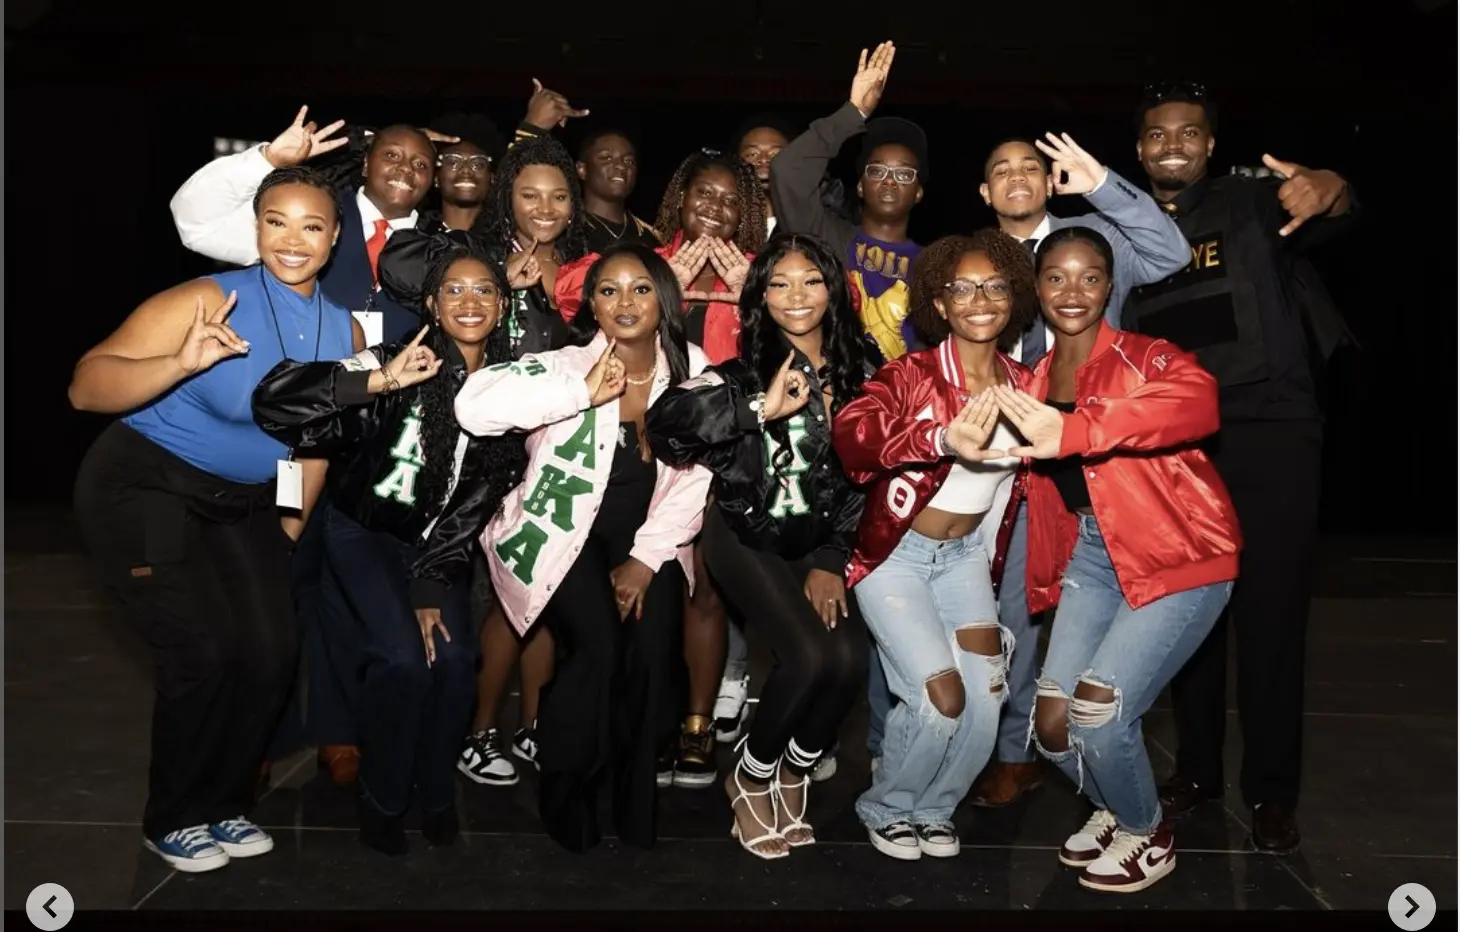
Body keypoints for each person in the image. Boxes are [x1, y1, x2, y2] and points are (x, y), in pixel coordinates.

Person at [69, 166, 355, 872]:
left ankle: (223, 803)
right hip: (149, 488)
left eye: (311, 225)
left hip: (244, 502)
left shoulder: (342, 329)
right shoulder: (209, 298)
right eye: (276, 221)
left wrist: (288, 528)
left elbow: (313, 442)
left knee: (268, 649)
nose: (292, 239)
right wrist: (176, 361)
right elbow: (85, 387)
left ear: (334, 237)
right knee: (201, 650)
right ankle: (171, 817)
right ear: (255, 228)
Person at [1121, 83, 1357, 855]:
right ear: (1139, 148)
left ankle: (1273, 793)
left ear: (1211, 145)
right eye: (1158, 134)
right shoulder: (1124, 222)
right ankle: (1197, 773)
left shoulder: (1253, 199)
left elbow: (1333, 210)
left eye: (1190, 132)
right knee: (1190, 619)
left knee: (1272, 620)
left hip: (1270, 429)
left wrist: (1333, 187)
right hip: (1173, 443)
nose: (1174, 144)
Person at [251, 241, 524, 855]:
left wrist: (431, 585)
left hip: (440, 548)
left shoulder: (512, 388)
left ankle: (434, 793)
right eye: (453, 289)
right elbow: (276, 399)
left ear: (503, 305)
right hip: (364, 532)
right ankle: (382, 797)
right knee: (402, 660)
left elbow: (476, 500)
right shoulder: (395, 359)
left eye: (484, 289)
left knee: (455, 663)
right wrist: (379, 379)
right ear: (431, 301)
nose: (469, 301)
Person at [996, 226, 1240, 892]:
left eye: (1090, 277)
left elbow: (1199, 402)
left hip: (1178, 551)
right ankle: (1113, 807)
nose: (1072, 292)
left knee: (1098, 711)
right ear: (1037, 289)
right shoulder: (1032, 379)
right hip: (1095, 557)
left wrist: (1078, 429)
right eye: (1056, 277)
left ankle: (1146, 827)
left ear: (1110, 285)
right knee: (1051, 727)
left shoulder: (1146, 357)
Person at [453, 243, 712, 852]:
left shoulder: (695, 370)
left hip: (653, 538)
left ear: (663, 299)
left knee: (650, 660)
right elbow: (473, 407)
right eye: (609, 290)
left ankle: (632, 806)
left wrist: (647, 560)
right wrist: (581, 394)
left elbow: (700, 475)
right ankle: (566, 791)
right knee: (596, 647)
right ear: (591, 303)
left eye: (641, 288)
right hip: (562, 537)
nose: (626, 302)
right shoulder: (564, 366)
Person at [970, 130, 1192, 810]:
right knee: (1015, 612)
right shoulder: (976, 257)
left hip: (1102, 468)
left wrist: (1100, 183)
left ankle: (1100, 743)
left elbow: (1171, 251)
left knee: (1101, 615)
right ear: (984, 190)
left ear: (1050, 180)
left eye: (1030, 166)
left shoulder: (1094, 240)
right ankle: (1018, 752)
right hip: (1004, 462)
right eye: (1000, 167)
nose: (1016, 177)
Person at [645, 232, 871, 860]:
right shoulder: (741, 372)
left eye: (811, 281)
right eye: (779, 283)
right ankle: (749, 771)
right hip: (745, 533)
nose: (796, 296)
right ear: (761, 297)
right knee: (806, 656)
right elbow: (667, 428)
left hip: (815, 541)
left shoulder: (864, 370)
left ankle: (793, 769)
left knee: (849, 660)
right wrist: (754, 408)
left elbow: (870, 479)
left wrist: (831, 560)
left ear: (834, 290)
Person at [557, 147, 767, 789]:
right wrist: (662, 274)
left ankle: (697, 728)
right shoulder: (645, 260)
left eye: (731, 199)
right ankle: (626, 724)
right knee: (628, 597)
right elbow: (568, 289)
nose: (715, 207)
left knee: (707, 588)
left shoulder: (755, 270)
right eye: (703, 193)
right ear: (679, 199)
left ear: (748, 212)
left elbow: (800, 327)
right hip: (626, 465)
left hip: (719, 454)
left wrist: (749, 291)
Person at [832, 231, 1035, 860]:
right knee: (938, 696)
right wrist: (939, 437)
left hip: (966, 561)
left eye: (995, 286)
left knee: (985, 698)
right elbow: (853, 437)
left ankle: (936, 807)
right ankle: (888, 804)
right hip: (897, 559)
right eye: (963, 288)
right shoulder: (912, 373)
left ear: (1013, 298)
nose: (980, 299)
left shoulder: (1025, 384)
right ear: (940, 304)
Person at [769, 41, 927, 365]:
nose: (888, 179)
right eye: (877, 170)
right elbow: (787, 170)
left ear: (919, 193)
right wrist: (854, 111)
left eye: (903, 174)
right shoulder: (825, 237)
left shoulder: (933, 263)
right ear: (859, 186)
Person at [575, 128, 659, 252]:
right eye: (606, 157)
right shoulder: (566, 230)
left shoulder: (652, 238)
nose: (621, 165)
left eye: (628, 161)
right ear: (582, 170)